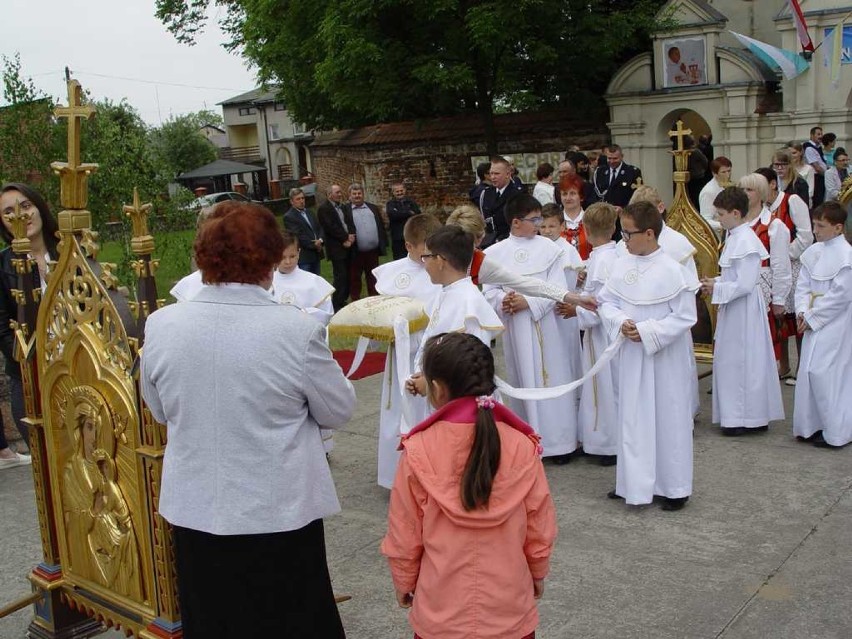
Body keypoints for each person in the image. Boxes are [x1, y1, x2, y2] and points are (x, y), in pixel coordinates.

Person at [141, 201, 355, 638]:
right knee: (289, 618)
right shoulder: (294, 330)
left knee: (214, 620)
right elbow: (338, 409)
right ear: (271, 261)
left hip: (200, 508)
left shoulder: (162, 325)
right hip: (277, 510)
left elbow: (159, 409)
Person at [383, 332, 556, 639]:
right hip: (509, 608)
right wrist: (537, 569)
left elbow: (405, 532)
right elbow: (538, 522)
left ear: (436, 388)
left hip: (441, 611)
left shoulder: (419, 449)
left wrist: (404, 579)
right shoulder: (521, 445)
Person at [598, 201, 698, 510]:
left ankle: (673, 486)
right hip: (631, 355)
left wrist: (647, 331)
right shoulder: (621, 264)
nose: (623, 240)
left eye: (628, 234)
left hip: (663, 358)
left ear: (650, 233)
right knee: (632, 417)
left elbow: (684, 318)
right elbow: (606, 302)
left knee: (667, 417)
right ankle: (633, 483)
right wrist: (620, 322)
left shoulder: (673, 271)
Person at [483, 195, 580, 463]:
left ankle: (559, 444)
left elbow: (557, 287)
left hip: (546, 327)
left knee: (553, 377)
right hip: (515, 328)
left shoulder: (551, 250)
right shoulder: (495, 253)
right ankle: (527, 439)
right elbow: (488, 291)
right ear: (516, 222)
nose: (539, 225)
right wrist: (504, 301)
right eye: (534, 220)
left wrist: (529, 301)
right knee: (521, 379)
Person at [700, 187, 784, 437]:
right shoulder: (734, 236)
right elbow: (733, 277)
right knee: (732, 360)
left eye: (721, 214)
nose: (719, 219)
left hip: (744, 311)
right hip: (735, 308)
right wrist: (716, 282)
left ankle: (747, 416)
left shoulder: (746, 240)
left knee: (744, 361)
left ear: (736, 213)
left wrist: (717, 287)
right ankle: (736, 415)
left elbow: (745, 284)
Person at [372, 214, 442, 489]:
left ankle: (427, 472)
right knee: (395, 410)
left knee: (426, 410)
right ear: (408, 245)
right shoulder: (391, 273)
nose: (427, 255)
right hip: (398, 350)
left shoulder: (439, 268)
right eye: (422, 248)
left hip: (429, 350)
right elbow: (379, 311)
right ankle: (394, 475)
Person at [0, 183, 60, 467]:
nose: (21, 216)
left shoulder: (68, 249)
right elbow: (2, 330)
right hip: (30, 381)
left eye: (25, 206)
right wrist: (33, 356)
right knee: (49, 468)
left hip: (78, 372)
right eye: (9, 212)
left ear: (38, 207)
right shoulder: (2, 266)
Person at [445, 205, 598, 311]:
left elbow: (528, 284)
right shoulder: (435, 259)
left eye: (472, 244)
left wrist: (575, 299)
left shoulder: (481, 263)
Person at [405, 225, 503, 390]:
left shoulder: (469, 304)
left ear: (440, 261)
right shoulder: (445, 292)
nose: (424, 263)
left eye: (426, 257)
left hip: (460, 399)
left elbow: (471, 365)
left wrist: (430, 385)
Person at [793, 201, 852, 448]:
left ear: (838, 228)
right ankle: (810, 426)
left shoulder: (846, 256)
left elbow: (841, 295)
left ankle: (836, 431)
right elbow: (803, 284)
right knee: (807, 371)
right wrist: (802, 311)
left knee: (827, 372)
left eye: (821, 225)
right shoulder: (814, 253)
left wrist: (814, 318)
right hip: (812, 319)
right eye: (815, 224)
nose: (815, 230)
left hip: (835, 322)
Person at [574, 202, 621, 466]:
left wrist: (576, 310)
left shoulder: (603, 261)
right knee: (599, 386)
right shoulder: (607, 256)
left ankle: (607, 444)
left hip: (601, 332)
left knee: (603, 386)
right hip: (601, 333)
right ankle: (596, 438)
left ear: (586, 230)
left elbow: (599, 303)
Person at [756, 165, 813, 383]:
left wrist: (783, 252)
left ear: (772, 184)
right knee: (779, 319)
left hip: (795, 265)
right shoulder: (763, 208)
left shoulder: (791, 201)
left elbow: (806, 235)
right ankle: (784, 365)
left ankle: (800, 366)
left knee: (795, 317)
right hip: (773, 268)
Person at [739, 173, 792, 365]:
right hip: (738, 294)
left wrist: (779, 299)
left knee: (761, 353)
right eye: (742, 189)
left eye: (750, 190)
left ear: (761, 193)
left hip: (762, 296)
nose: (745, 194)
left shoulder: (774, 225)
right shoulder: (736, 223)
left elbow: (780, 266)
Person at [272, 231, 335, 327]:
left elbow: (327, 314)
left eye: (292, 256)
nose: (288, 262)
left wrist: (303, 314)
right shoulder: (266, 283)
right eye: (282, 257)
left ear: (299, 252)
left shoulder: (313, 282)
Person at [344, 183, 387, 300]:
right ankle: (355, 301)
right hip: (355, 252)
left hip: (372, 252)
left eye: (359, 193)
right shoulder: (345, 210)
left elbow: (380, 226)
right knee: (355, 278)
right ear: (350, 195)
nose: (357, 196)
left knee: (373, 277)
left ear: (363, 194)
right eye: (354, 194)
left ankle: (374, 300)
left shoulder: (372, 207)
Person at [317, 184, 355, 310]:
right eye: (337, 192)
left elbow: (348, 222)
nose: (340, 194)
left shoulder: (342, 207)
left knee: (349, 274)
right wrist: (344, 238)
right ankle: (337, 303)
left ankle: (344, 299)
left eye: (340, 192)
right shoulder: (324, 209)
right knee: (341, 276)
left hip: (348, 245)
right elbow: (330, 227)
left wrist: (351, 235)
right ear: (329, 195)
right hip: (336, 248)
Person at [479, 156, 523, 244]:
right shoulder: (486, 193)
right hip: (489, 243)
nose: (493, 177)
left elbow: (519, 224)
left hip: (509, 242)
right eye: (491, 173)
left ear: (507, 174)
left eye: (497, 174)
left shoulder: (518, 195)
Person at [283, 187, 324, 275]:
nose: (301, 201)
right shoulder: (289, 217)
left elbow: (319, 228)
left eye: (303, 198)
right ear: (291, 201)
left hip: (316, 255)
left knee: (316, 282)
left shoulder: (310, 212)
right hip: (304, 257)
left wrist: (320, 241)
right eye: (298, 199)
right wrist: (315, 245)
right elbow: (298, 236)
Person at [592, 144, 642, 209]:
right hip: (604, 213)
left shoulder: (633, 172)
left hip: (624, 213)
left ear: (622, 156)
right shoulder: (600, 171)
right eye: (609, 158)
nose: (612, 161)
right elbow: (594, 194)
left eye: (615, 158)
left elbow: (638, 196)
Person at [559, 174, 593, 259]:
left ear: (581, 197)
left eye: (573, 193)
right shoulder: (555, 222)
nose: (568, 198)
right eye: (564, 194)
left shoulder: (591, 220)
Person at [385, 182, 422, 259]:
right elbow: (393, 215)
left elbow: (417, 214)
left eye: (401, 190)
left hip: (411, 235)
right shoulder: (390, 204)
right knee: (399, 260)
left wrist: (400, 213)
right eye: (397, 191)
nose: (399, 193)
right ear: (393, 192)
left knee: (414, 258)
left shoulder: (411, 202)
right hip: (398, 238)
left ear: (404, 190)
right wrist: (409, 212)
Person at [698, 156, 732, 234]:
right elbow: (705, 220)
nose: (728, 175)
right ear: (714, 173)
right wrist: (725, 225)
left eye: (729, 171)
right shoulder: (708, 191)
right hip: (718, 235)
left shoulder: (729, 185)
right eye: (723, 172)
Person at [803, 126, 827, 207]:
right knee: (818, 200)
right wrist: (827, 175)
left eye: (821, 134)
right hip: (817, 177)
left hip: (821, 177)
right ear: (812, 135)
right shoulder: (809, 148)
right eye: (818, 134)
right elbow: (816, 167)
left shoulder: (818, 147)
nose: (820, 136)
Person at [788, 142, 816, 206]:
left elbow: (810, 191)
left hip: (804, 203)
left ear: (800, 153)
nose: (792, 156)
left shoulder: (809, 169)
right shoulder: (786, 169)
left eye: (794, 153)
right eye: (789, 154)